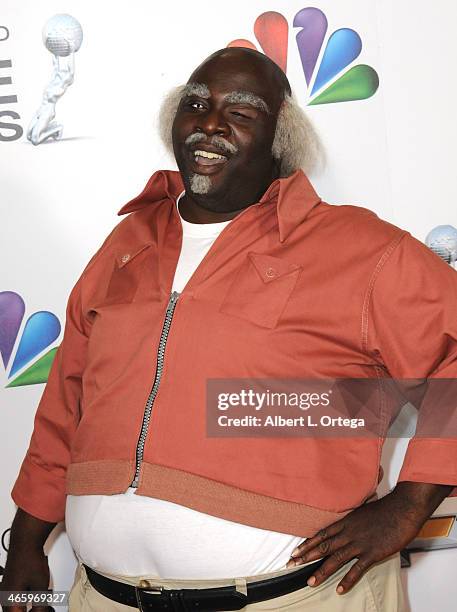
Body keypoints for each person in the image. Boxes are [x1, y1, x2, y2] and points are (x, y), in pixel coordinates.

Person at [2, 47, 457, 611]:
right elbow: (65, 406)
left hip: (297, 599)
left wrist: (409, 507)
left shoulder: (362, 249)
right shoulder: (126, 245)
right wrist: (24, 547)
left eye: (241, 113)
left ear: (279, 140)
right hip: (106, 598)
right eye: (196, 104)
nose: (210, 123)